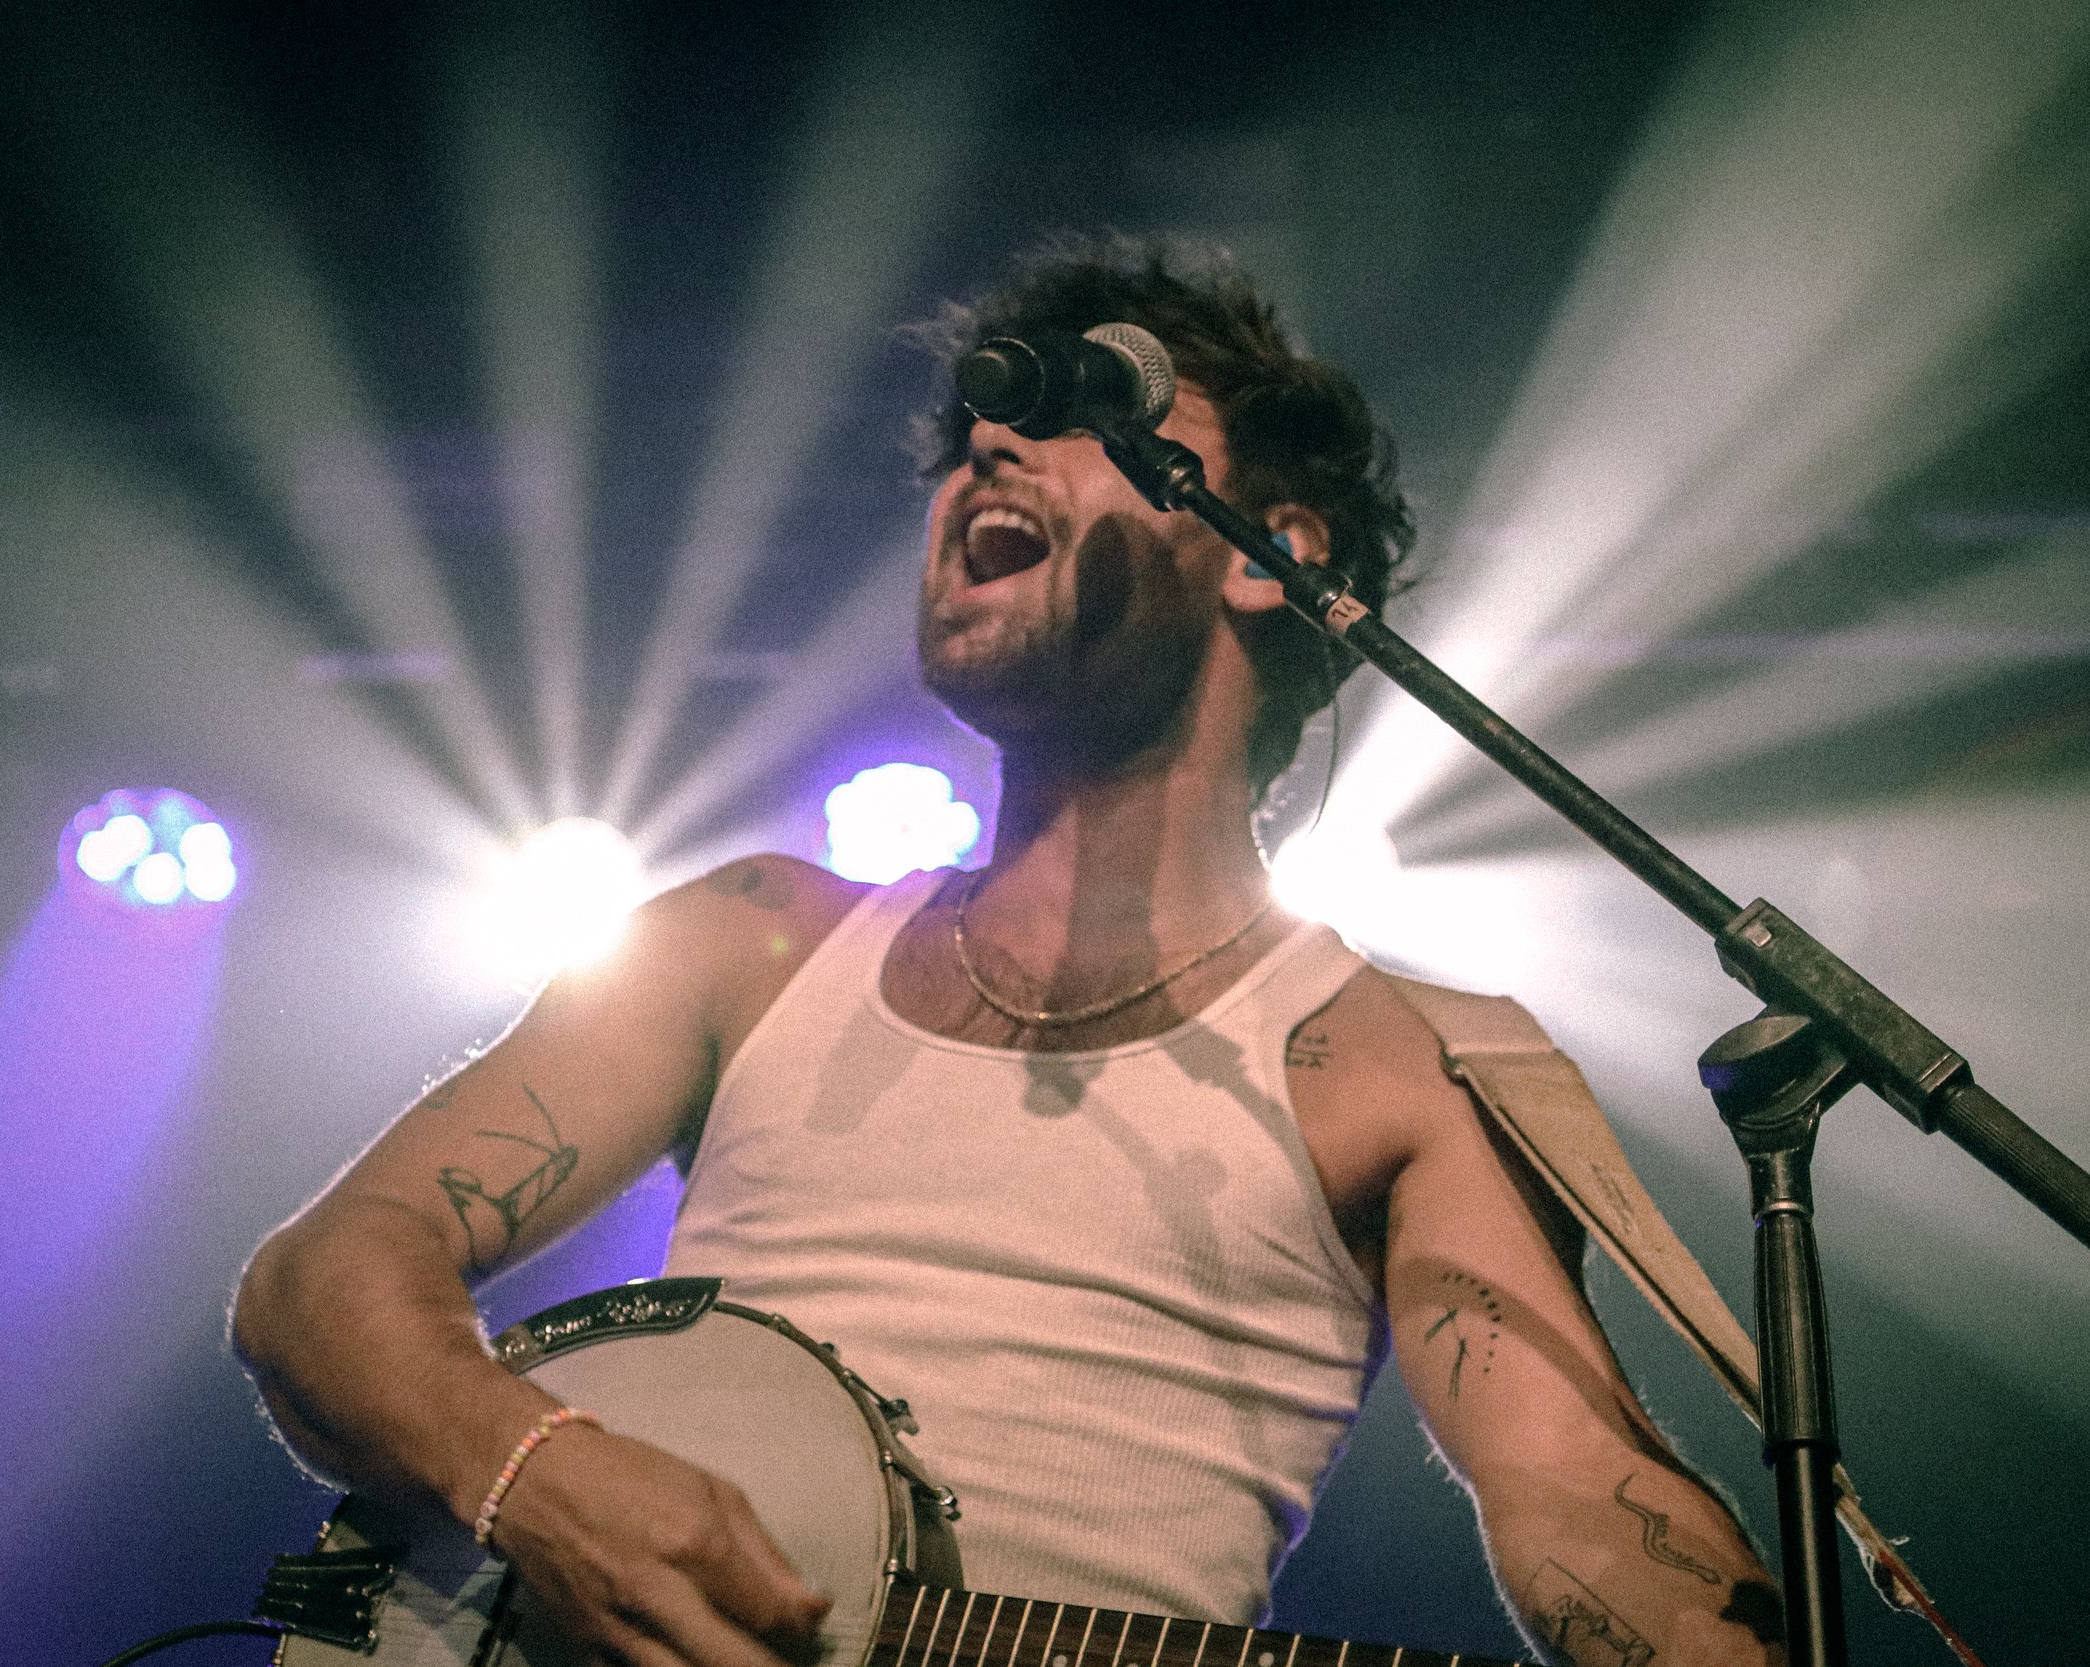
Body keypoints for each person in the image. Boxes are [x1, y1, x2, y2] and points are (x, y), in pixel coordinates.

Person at [231, 237, 1785, 1667]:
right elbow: (320, 1281)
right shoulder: (756, 940)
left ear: (1269, 551)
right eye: (975, 428)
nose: (990, 438)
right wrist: (538, 1477)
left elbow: (1583, 1504)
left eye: (1086, 406)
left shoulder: (1404, 1065)